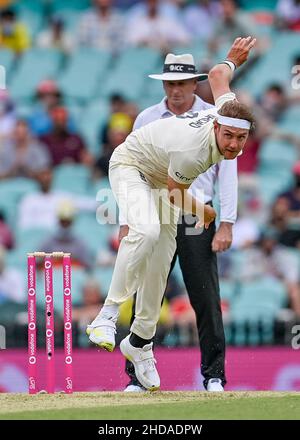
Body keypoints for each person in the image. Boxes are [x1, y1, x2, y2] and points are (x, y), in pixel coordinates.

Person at [87, 37, 256, 391]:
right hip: (133, 169)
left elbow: (219, 76)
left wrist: (232, 59)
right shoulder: (192, 152)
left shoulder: (226, 110)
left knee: (158, 267)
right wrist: (206, 211)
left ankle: (139, 344)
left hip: (165, 185)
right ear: (215, 128)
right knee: (146, 233)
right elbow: (178, 192)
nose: (233, 147)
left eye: (240, 141)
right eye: (228, 139)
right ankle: (106, 314)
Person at [119, 53, 238, 393]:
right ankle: (137, 376)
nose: (175, 90)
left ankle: (213, 376)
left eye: (181, 83)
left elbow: (227, 169)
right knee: (147, 297)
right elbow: (134, 169)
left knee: (205, 296)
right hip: (156, 210)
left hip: (197, 214)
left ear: (195, 83)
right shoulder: (147, 117)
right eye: (170, 83)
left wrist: (227, 221)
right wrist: (129, 218)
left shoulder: (214, 115)